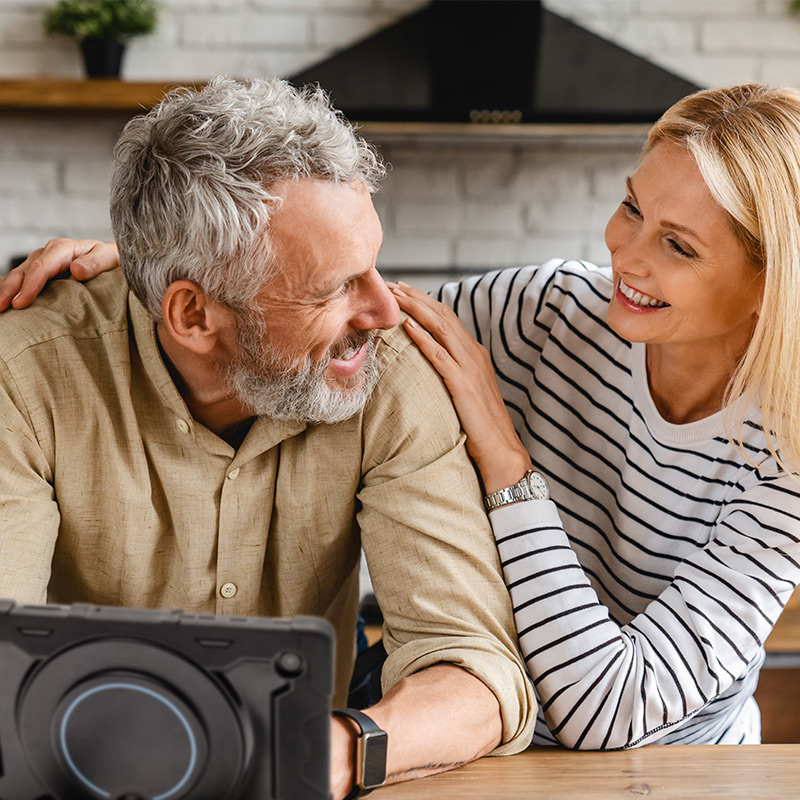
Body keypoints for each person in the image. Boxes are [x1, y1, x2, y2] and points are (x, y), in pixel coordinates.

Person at [19, 82, 800, 751]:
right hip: (482, 758)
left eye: (679, 247)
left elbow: (610, 708)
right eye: (632, 207)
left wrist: (507, 462)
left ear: (775, 282)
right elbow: (313, 312)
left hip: (674, 766)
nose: (626, 256)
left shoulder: (789, 453)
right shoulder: (545, 312)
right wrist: (160, 266)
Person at [0, 77, 535, 798]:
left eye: (374, 265)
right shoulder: (22, 376)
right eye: (334, 287)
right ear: (192, 316)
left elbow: (477, 674)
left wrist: (330, 751)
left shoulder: (390, 372)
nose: (384, 310)